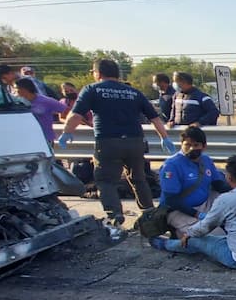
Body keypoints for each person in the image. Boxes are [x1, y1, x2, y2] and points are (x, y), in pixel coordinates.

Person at [58, 58, 176, 227]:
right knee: (139, 178)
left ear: (98, 73)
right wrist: (164, 137)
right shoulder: (133, 92)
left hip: (108, 142)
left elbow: (76, 115)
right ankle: (149, 212)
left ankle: (115, 215)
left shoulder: (92, 89)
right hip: (135, 141)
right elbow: (154, 118)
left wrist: (67, 132)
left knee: (106, 180)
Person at [150, 156, 236, 269]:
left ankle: (164, 244)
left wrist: (189, 233)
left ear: (228, 177)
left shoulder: (226, 199)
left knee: (196, 240)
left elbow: (204, 228)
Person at [158, 127, 233, 237]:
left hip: (204, 204)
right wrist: (197, 214)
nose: (192, 148)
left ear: (204, 146)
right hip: (179, 210)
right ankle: (173, 239)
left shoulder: (206, 160)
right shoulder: (171, 165)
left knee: (234, 215)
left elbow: (218, 184)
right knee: (217, 236)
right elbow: (171, 199)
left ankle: (188, 231)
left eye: (196, 145)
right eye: (187, 145)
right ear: (181, 144)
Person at [14, 77, 67, 145]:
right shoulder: (17, 102)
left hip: (45, 138)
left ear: (24, 89)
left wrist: (62, 119)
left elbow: (66, 110)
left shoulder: (45, 101)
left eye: (16, 88)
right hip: (26, 138)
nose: (15, 91)